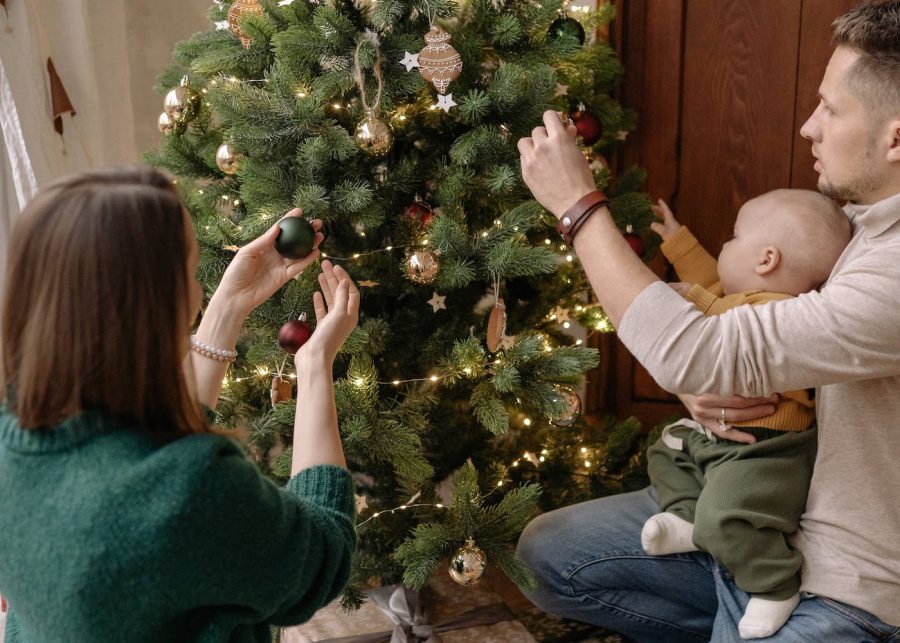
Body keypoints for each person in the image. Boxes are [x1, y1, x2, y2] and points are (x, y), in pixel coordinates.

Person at [515, 1, 900, 641]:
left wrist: (579, 208)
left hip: (846, 587)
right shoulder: (860, 222)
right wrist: (704, 388)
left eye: (831, 109)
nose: (809, 126)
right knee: (548, 558)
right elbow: (733, 333)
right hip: (768, 515)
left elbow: (702, 346)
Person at [0, 166, 359, 641]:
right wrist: (314, 366)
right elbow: (321, 560)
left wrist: (229, 304)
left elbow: (147, 450)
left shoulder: (16, 431)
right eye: (190, 273)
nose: (197, 291)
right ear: (152, 305)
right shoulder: (194, 486)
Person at [643, 191, 850, 639]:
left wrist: (684, 297)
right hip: (718, 437)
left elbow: (720, 316)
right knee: (664, 448)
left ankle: (775, 585)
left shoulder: (786, 313)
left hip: (767, 453)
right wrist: (679, 243)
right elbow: (712, 285)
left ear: (766, 259)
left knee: (728, 517)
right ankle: (685, 516)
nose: (724, 246)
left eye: (734, 238)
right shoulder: (737, 296)